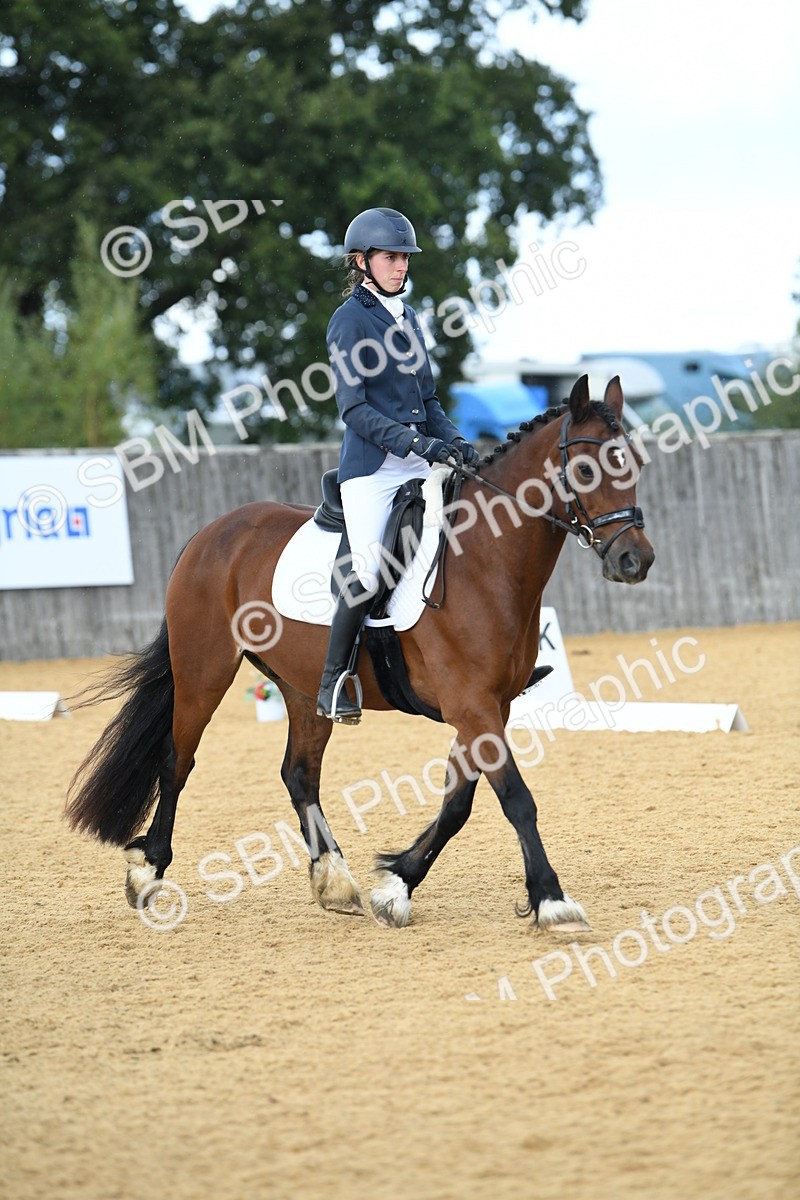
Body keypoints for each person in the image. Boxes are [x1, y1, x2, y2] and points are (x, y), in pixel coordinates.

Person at [316, 206, 481, 724]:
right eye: (391, 258)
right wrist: (416, 445)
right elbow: (354, 409)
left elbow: (427, 399)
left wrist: (452, 440)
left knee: (465, 537)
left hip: (416, 463)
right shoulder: (348, 322)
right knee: (367, 569)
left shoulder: (408, 320)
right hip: (372, 471)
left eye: (405, 258)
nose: (401, 267)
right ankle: (333, 683)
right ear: (362, 262)